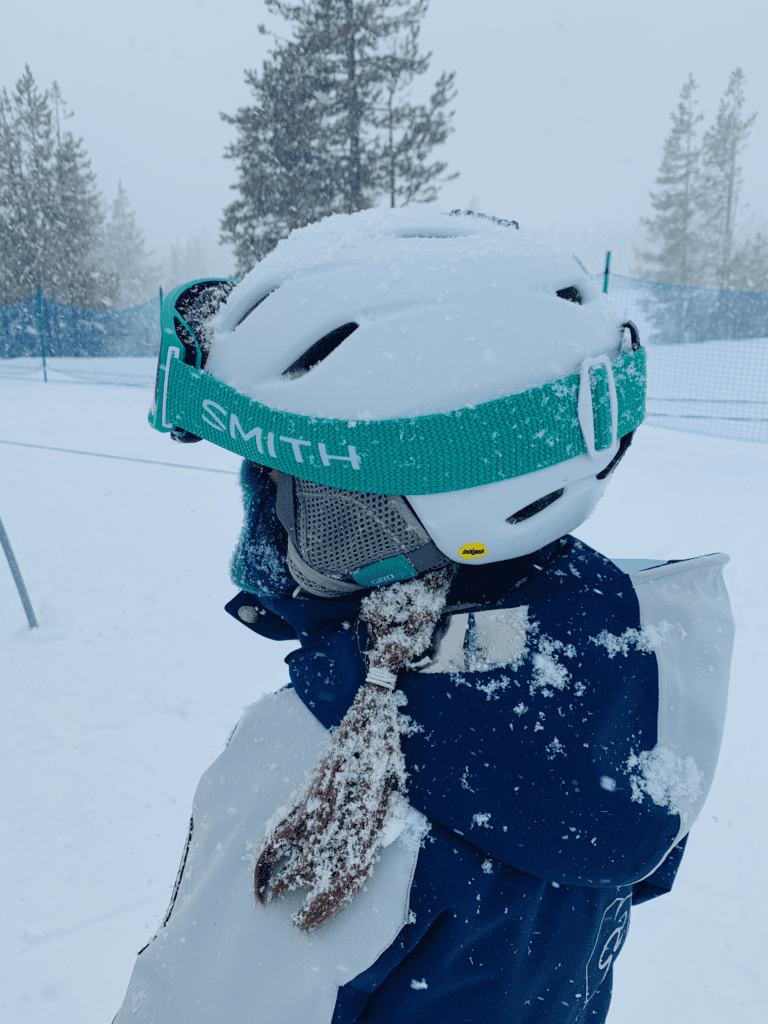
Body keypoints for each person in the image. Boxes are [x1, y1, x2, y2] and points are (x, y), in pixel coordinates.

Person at [114, 209, 733, 1023]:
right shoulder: (647, 648)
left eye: (283, 479)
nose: (263, 511)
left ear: (384, 511)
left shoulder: (314, 762)